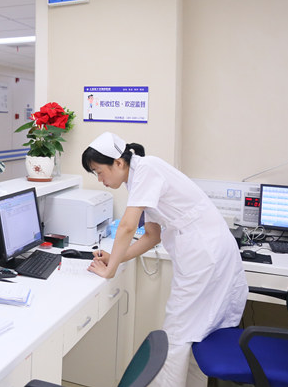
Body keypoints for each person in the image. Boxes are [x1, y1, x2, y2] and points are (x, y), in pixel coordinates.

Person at [81, 132, 248, 386]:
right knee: (196, 330)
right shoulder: (137, 178)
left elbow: (127, 227)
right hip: (205, 251)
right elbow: (152, 235)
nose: (100, 180)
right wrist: (116, 258)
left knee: (178, 331)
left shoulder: (147, 168)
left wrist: (110, 269)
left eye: (99, 172)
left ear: (118, 162)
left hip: (205, 252)